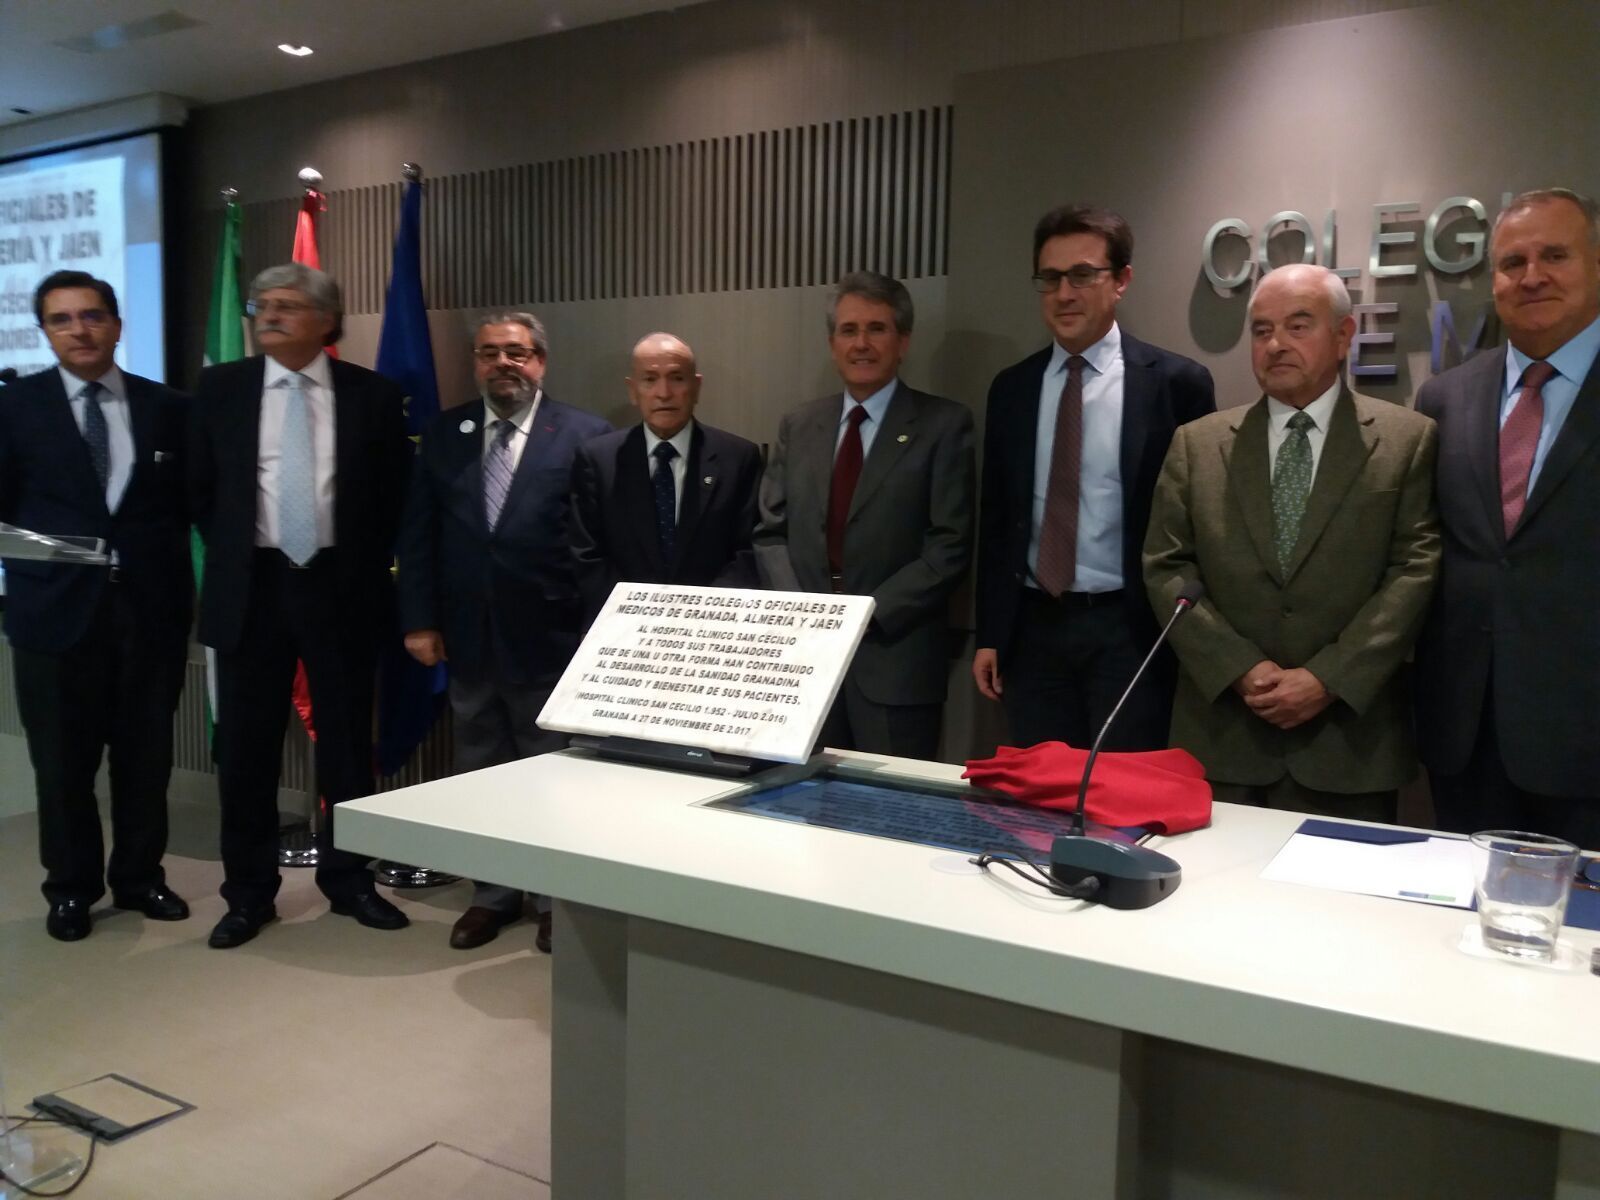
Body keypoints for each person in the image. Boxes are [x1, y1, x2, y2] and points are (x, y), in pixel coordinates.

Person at [1144, 263, 1439, 821]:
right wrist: (1239, 668)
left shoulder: (1407, 440)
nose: (1276, 344)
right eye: (1262, 330)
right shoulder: (1197, 445)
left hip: (1349, 746)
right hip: (1224, 737)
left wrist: (1328, 678)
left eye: (1298, 326)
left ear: (1344, 336)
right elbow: (1167, 566)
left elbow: (1413, 570)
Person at [189, 262, 412, 948]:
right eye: (262, 304)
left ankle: (350, 881)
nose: (269, 314)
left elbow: (392, 497)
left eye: (287, 305)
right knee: (247, 751)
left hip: (340, 586)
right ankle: (248, 894)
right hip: (252, 585)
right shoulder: (220, 388)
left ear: (326, 319)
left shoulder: (373, 396)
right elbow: (200, 488)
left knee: (346, 745)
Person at [397, 312, 610, 950]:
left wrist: (595, 633)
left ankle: (551, 899)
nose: (502, 364)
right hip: (467, 636)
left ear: (540, 361)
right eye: (489, 353)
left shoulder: (584, 434)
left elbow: (595, 544)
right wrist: (419, 620)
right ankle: (491, 894)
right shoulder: (445, 433)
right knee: (479, 769)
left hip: (552, 637)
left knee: (550, 773)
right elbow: (419, 532)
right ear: (475, 364)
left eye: (516, 352)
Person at [974, 205, 1215, 752]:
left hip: (1130, 629)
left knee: (1122, 788)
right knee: (1042, 788)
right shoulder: (1011, 389)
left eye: (1082, 275)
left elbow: (1202, 524)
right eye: (1050, 278)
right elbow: (998, 520)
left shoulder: (1177, 384)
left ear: (1121, 280)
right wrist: (991, 634)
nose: (1064, 293)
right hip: (1033, 630)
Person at [0, 271, 191, 941]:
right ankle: (71, 889)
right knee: (62, 766)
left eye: (91, 316)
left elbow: (192, 507)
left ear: (115, 324)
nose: (79, 330)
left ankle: (139, 878)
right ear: (45, 332)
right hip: (52, 618)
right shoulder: (14, 408)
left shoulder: (169, 407)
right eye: (62, 319)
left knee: (146, 760)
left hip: (150, 616)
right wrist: (67, 555)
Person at [1415, 187, 1600, 847]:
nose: (1532, 276)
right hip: (1467, 736)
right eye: (1513, 262)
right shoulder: (1444, 397)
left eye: (1555, 256)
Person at [754, 271, 974, 760]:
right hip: (805, 661)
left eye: (877, 329)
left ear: (903, 341)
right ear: (832, 343)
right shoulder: (799, 424)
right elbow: (770, 534)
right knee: (801, 798)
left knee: (891, 799)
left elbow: (949, 545)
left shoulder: (944, 425)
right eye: (849, 330)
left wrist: (865, 616)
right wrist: (807, 616)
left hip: (895, 658)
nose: (861, 344)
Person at [570, 332, 761, 623]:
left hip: (710, 626)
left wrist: (700, 616)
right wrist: (636, 617)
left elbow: (747, 553)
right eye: (649, 379)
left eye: (677, 378)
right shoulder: (598, 460)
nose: (664, 393)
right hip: (623, 628)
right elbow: (587, 554)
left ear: (696, 387)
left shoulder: (738, 457)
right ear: (632, 390)